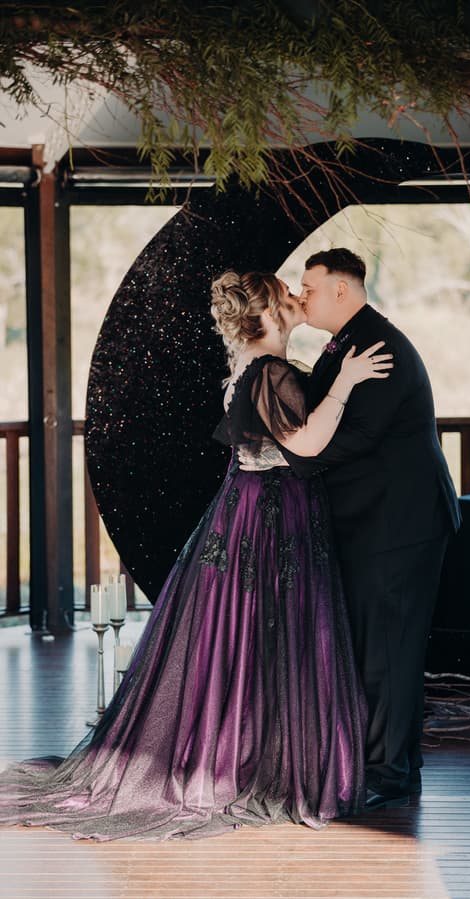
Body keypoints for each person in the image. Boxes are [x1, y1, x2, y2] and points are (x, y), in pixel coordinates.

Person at [0, 270, 393, 841]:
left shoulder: (247, 371)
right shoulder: (270, 372)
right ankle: (263, 761)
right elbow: (305, 443)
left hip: (248, 513)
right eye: (289, 296)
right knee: (271, 639)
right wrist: (347, 382)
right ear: (269, 315)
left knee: (247, 641)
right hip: (271, 521)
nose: (297, 299)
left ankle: (248, 748)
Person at [276, 248, 461, 809]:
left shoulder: (377, 345)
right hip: (381, 520)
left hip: (400, 522)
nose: (301, 295)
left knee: (390, 649)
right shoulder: (344, 344)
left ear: (341, 289)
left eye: (309, 286)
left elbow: (357, 438)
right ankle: (397, 757)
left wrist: (291, 459)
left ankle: (390, 770)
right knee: (379, 646)